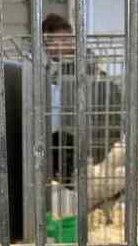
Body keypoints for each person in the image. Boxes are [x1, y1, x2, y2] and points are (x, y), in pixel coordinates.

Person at [41, 11, 123, 182]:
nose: (53, 47)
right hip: (77, 146)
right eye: (49, 43)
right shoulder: (56, 71)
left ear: (69, 39)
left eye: (60, 41)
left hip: (93, 144)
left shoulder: (82, 69)